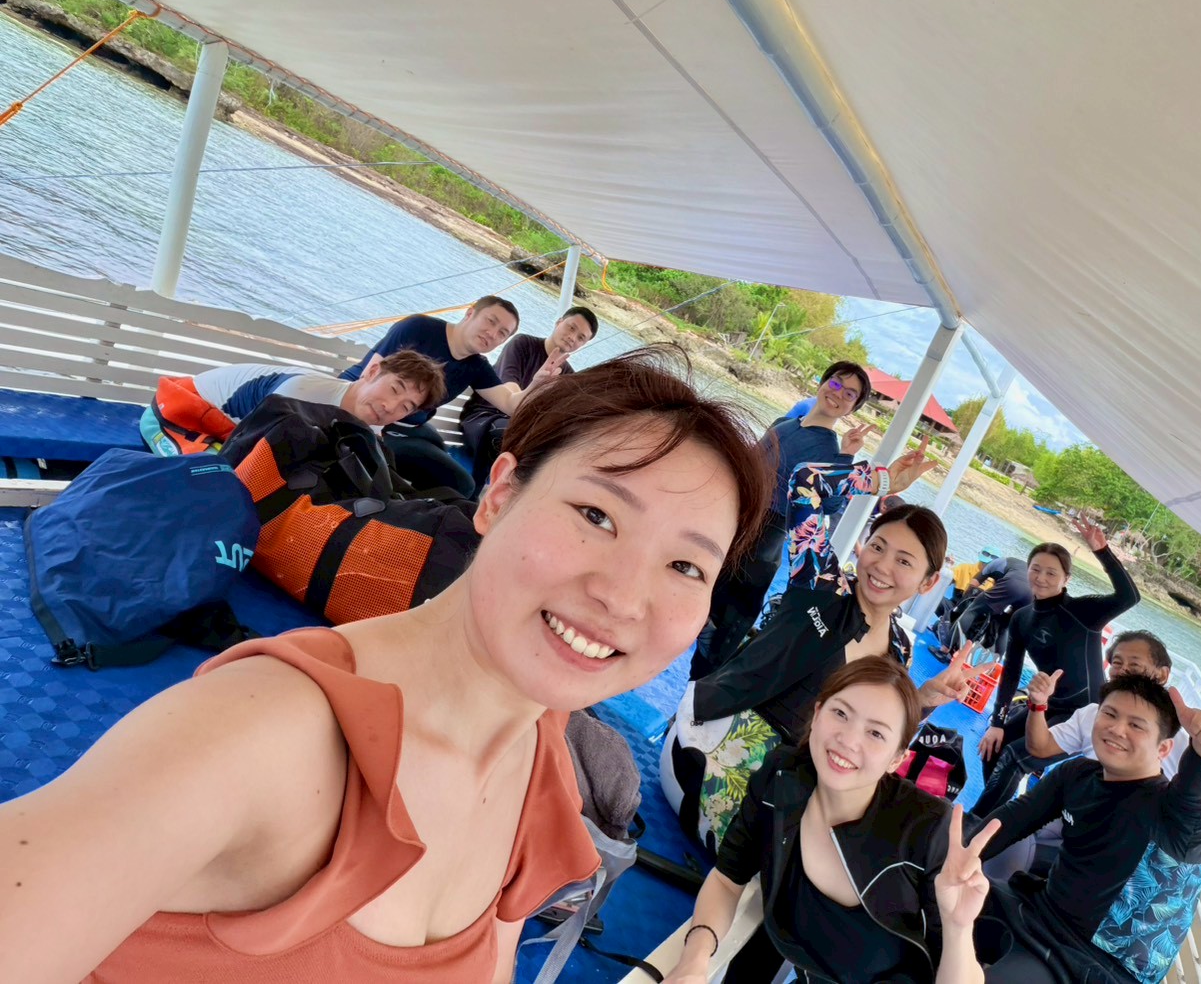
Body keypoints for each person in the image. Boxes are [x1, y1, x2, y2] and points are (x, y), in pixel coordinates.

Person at [0, 347, 772, 984]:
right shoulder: (262, 737)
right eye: (596, 515)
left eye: (685, 566)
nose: (623, 597)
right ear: (498, 497)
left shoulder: (539, 768)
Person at [662, 449, 978, 851]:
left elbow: (881, 730)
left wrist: (925, 698)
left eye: (904, 561)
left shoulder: (899, 651)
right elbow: (805, 481)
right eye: (877, 547)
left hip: (790, 779)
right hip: (712, 745)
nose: (882, 567)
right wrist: (881, 482)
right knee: (793, 862)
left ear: (928, 583)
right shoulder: (820, 583)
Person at [667, 656, 994, 984]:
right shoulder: (780, 779)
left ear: (897, 759)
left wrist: (958, 928)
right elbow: (727, 880)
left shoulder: (926, 832)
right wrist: (694, 962)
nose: (848, 740)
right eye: (840, 714)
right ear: (818, 712)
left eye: (875, 733)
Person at [970, 674, 1201, 984]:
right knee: (935, 897)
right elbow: (1013, 819)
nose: (1117, 729)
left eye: (1136, 725)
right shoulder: (1078, 774)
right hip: (1038, 912)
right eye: (1109, 714)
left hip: (1100, 965)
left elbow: (1197, 792)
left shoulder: (1177, 817)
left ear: (1163, 749)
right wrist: (960, 852)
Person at [987, 631, 1201, 892]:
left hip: (1129, 850)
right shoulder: (1090, 725)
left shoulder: (1181, 746)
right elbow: (1039, 748)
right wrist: (1038, 705)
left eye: (1134, 664)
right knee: (1006, 845)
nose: (1116, 730)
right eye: (1117, 663)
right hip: (1078, 820)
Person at [689, 360, 875, 678]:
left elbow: (829, 506)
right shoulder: (785, 424)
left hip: (759, 549)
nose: (838, 393)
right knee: (683, 606)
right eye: (835, 383)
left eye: (849, 394)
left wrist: (847, 456)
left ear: (853, 407)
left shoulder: (831, 451)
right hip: (731, 526)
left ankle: (696, 701)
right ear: (822, 383)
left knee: (715, 645)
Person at [971, 517, 1140, 818]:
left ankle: (976, 824)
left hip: (1088, 714)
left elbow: (1130, 597)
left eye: (1051, 572)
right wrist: (997, 722)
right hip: (1049, 707)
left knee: (1014, 758)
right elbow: (1011, 672)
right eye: (1035, 569)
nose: (1041, 578)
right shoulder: (1022, 617)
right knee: (992, 747)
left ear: (1066, 579)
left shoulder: (1083, 612)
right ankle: (998, 820)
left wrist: (1102, 551)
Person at [341, 297, 562, 498]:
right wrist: (368, 432)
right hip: (368, 415)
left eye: (502, 333)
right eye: (490, 321)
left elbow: (509, 404)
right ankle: (393, 505)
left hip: (409, 424)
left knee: (436, 444)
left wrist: (537, 384)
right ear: (470, 313)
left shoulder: (476, 366)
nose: (492, 334)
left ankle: (404, 502)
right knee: (461, 484)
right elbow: (368, 378)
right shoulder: (418, 328)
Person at [140, 350, 446, 455]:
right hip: (181, 411)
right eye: (395, 389)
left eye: (406, 407)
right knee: (217, 482)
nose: (391, 407)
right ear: (372, 371)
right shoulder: (305, 392)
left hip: (231, 430)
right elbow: (250, 452)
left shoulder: (371, 423)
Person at [459, 306, 598, 491]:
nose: (572, 337)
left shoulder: (568, 377)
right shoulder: (523, 344)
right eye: (571, 327)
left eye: (581, 337)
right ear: (559, 322)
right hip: (485, 418)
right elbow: (510, 391)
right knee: (518, 439)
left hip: (522, 434)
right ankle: (475, 493)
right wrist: (536, 385)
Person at [930, 551, 1031, 663]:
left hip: (1014, 584)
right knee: (1004, 627)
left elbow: (973, 586)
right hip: (1033, 595)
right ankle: (993, 667)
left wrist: (966, 602)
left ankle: (944, 651)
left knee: (972, 610)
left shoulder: (991, 566)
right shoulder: (1012, 566)